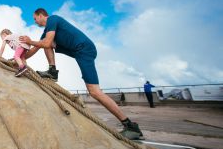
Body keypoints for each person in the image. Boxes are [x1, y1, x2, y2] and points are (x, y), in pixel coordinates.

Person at [20, 8, 144, 140]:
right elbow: (36, 48)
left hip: (85, 49)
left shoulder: (53, 19)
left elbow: (45, 43)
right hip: (78, 51)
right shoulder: (47, 32)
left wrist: (30, 41)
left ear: (41, 15)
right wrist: (18, 57)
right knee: (46, 43)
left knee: (94, 91)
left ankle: (131, 126)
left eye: (35, 18)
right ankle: (52, 71)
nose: (34, 22)